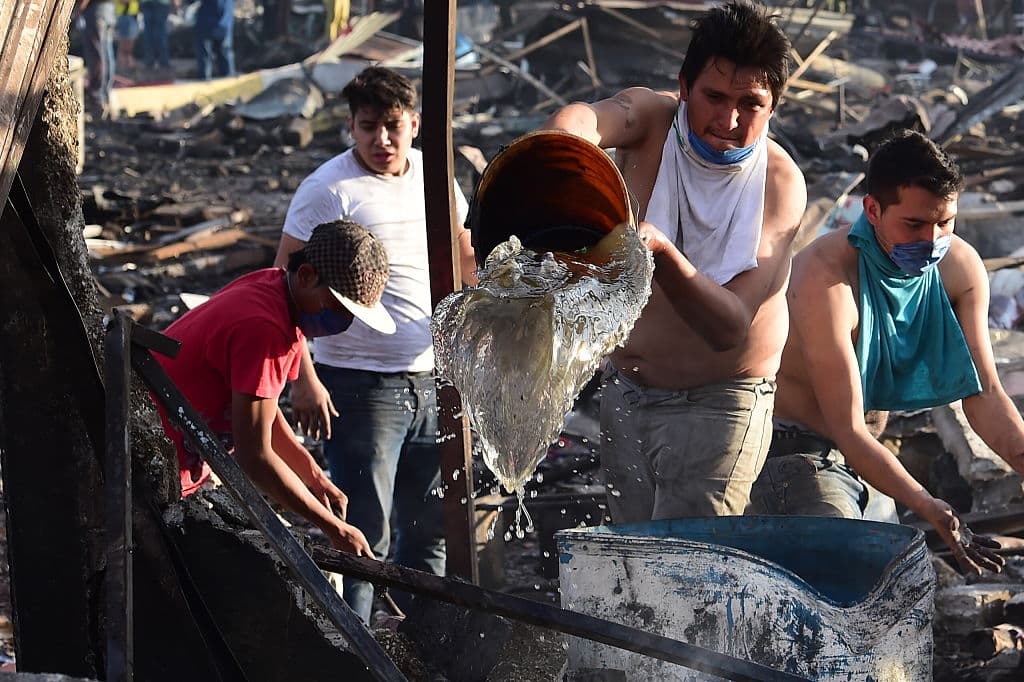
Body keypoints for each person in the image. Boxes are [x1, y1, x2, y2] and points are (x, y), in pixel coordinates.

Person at [542, 0, 806, 522]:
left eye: (749, 104)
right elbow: (586, 120)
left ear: (772, 106)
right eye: (713, 96)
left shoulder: (781, 183)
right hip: (626, 391)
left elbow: (730, 325)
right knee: (635, 564)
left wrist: (663, 254)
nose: (727, 120)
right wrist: (554, 151)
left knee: (689, 570)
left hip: (720, 402)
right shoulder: (651, 118)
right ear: (684, 86)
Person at [748, 130, 1021, 575]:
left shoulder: (959, 269)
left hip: (870, 460)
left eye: (945, 223)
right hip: (795, 456)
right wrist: (928, 504)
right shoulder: (826, 277)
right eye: (914, 225)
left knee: (895, 592)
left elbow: (985, 393)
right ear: (872, 210)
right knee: (840, 582)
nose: (932, 239)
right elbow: (848, 427)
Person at [273, 66, 477, 623]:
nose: (381, 140)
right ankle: (355, 650)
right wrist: (305, 379)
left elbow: (463, 262)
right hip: (359, 385)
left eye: (392, 126)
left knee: (430, 530)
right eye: (368, 128)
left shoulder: (436, 180)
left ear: (413, 123)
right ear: (351, 127)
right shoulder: (329, 189)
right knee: (365, 534)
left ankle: (421, 646)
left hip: (433, 379)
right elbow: (282, 286)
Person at [155, 220, 393, 558]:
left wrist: (312, 475)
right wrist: (332, 527)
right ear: (308, 275)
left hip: (173, 460)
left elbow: (263, 409)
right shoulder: (263, 327)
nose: (342, 321)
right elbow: (255, 455)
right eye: (337, 307)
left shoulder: (279, 295)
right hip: (151, 460)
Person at [78, 0, 117, 117]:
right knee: (106, 53)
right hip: (109, 9)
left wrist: (79, 9)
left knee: (97, 55)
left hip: (96, 10)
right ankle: (104, 96)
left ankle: (98, 99)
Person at [194, 0, 235, 80]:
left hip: (212, 23)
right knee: (209, 56)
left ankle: (227, 80)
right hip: (213, 22)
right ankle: (207, 82)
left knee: (222, 54)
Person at [140, 0, 177, 74]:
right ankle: (163, 62)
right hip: (161, 3)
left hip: (146, 3)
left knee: (149, 33)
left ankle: (149, 62)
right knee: (160, 33)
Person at [114, 0, 141, 75]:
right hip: (124, 16)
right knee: (124, 46)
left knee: (129, 46)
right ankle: (122, 70)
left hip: (132, 16)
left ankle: (128, 68)